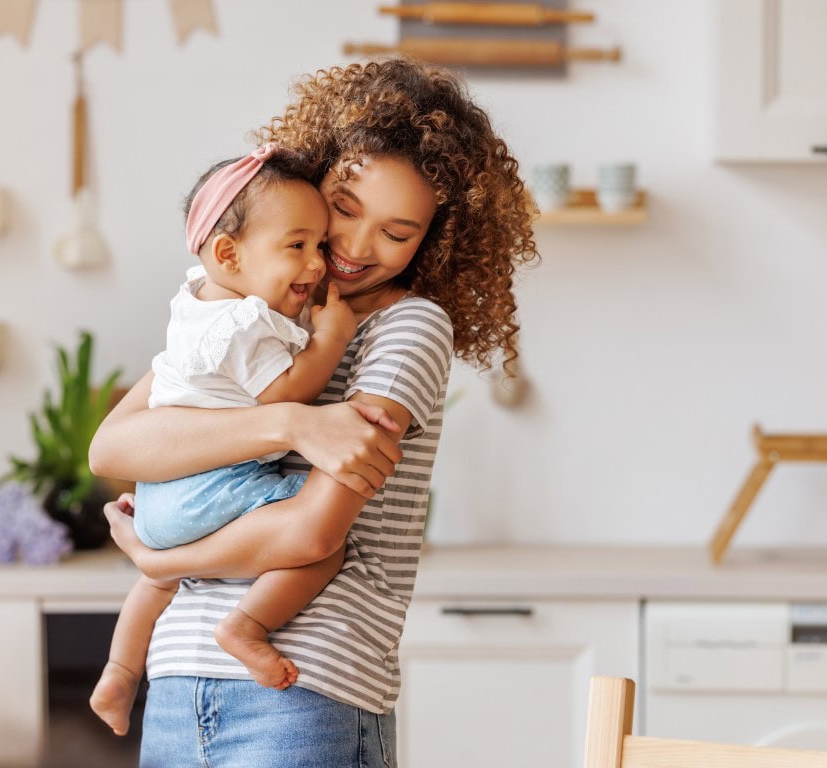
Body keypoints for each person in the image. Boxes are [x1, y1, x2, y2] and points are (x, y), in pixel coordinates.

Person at [90, 57, 538, 766]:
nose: (357, 249)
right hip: (177, 684)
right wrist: (291, 422)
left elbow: (309, 532)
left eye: (397, 233)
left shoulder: (408, 327)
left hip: (304, 691)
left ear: (435, 240)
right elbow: (112, 449)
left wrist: (156, 556)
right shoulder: (250, 313)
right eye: (345, 209)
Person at [89, 144, 360, 735]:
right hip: (210, 487)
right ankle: (247, 626)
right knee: (324, 543)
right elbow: (285, 395)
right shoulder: (245, 322)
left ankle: (118, 671)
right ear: (228, 253)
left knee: (157, 577)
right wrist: (331, 339)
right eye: (297, 246)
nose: (317, 265)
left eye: (320, 245)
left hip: (160, 495)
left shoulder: (196, 306)